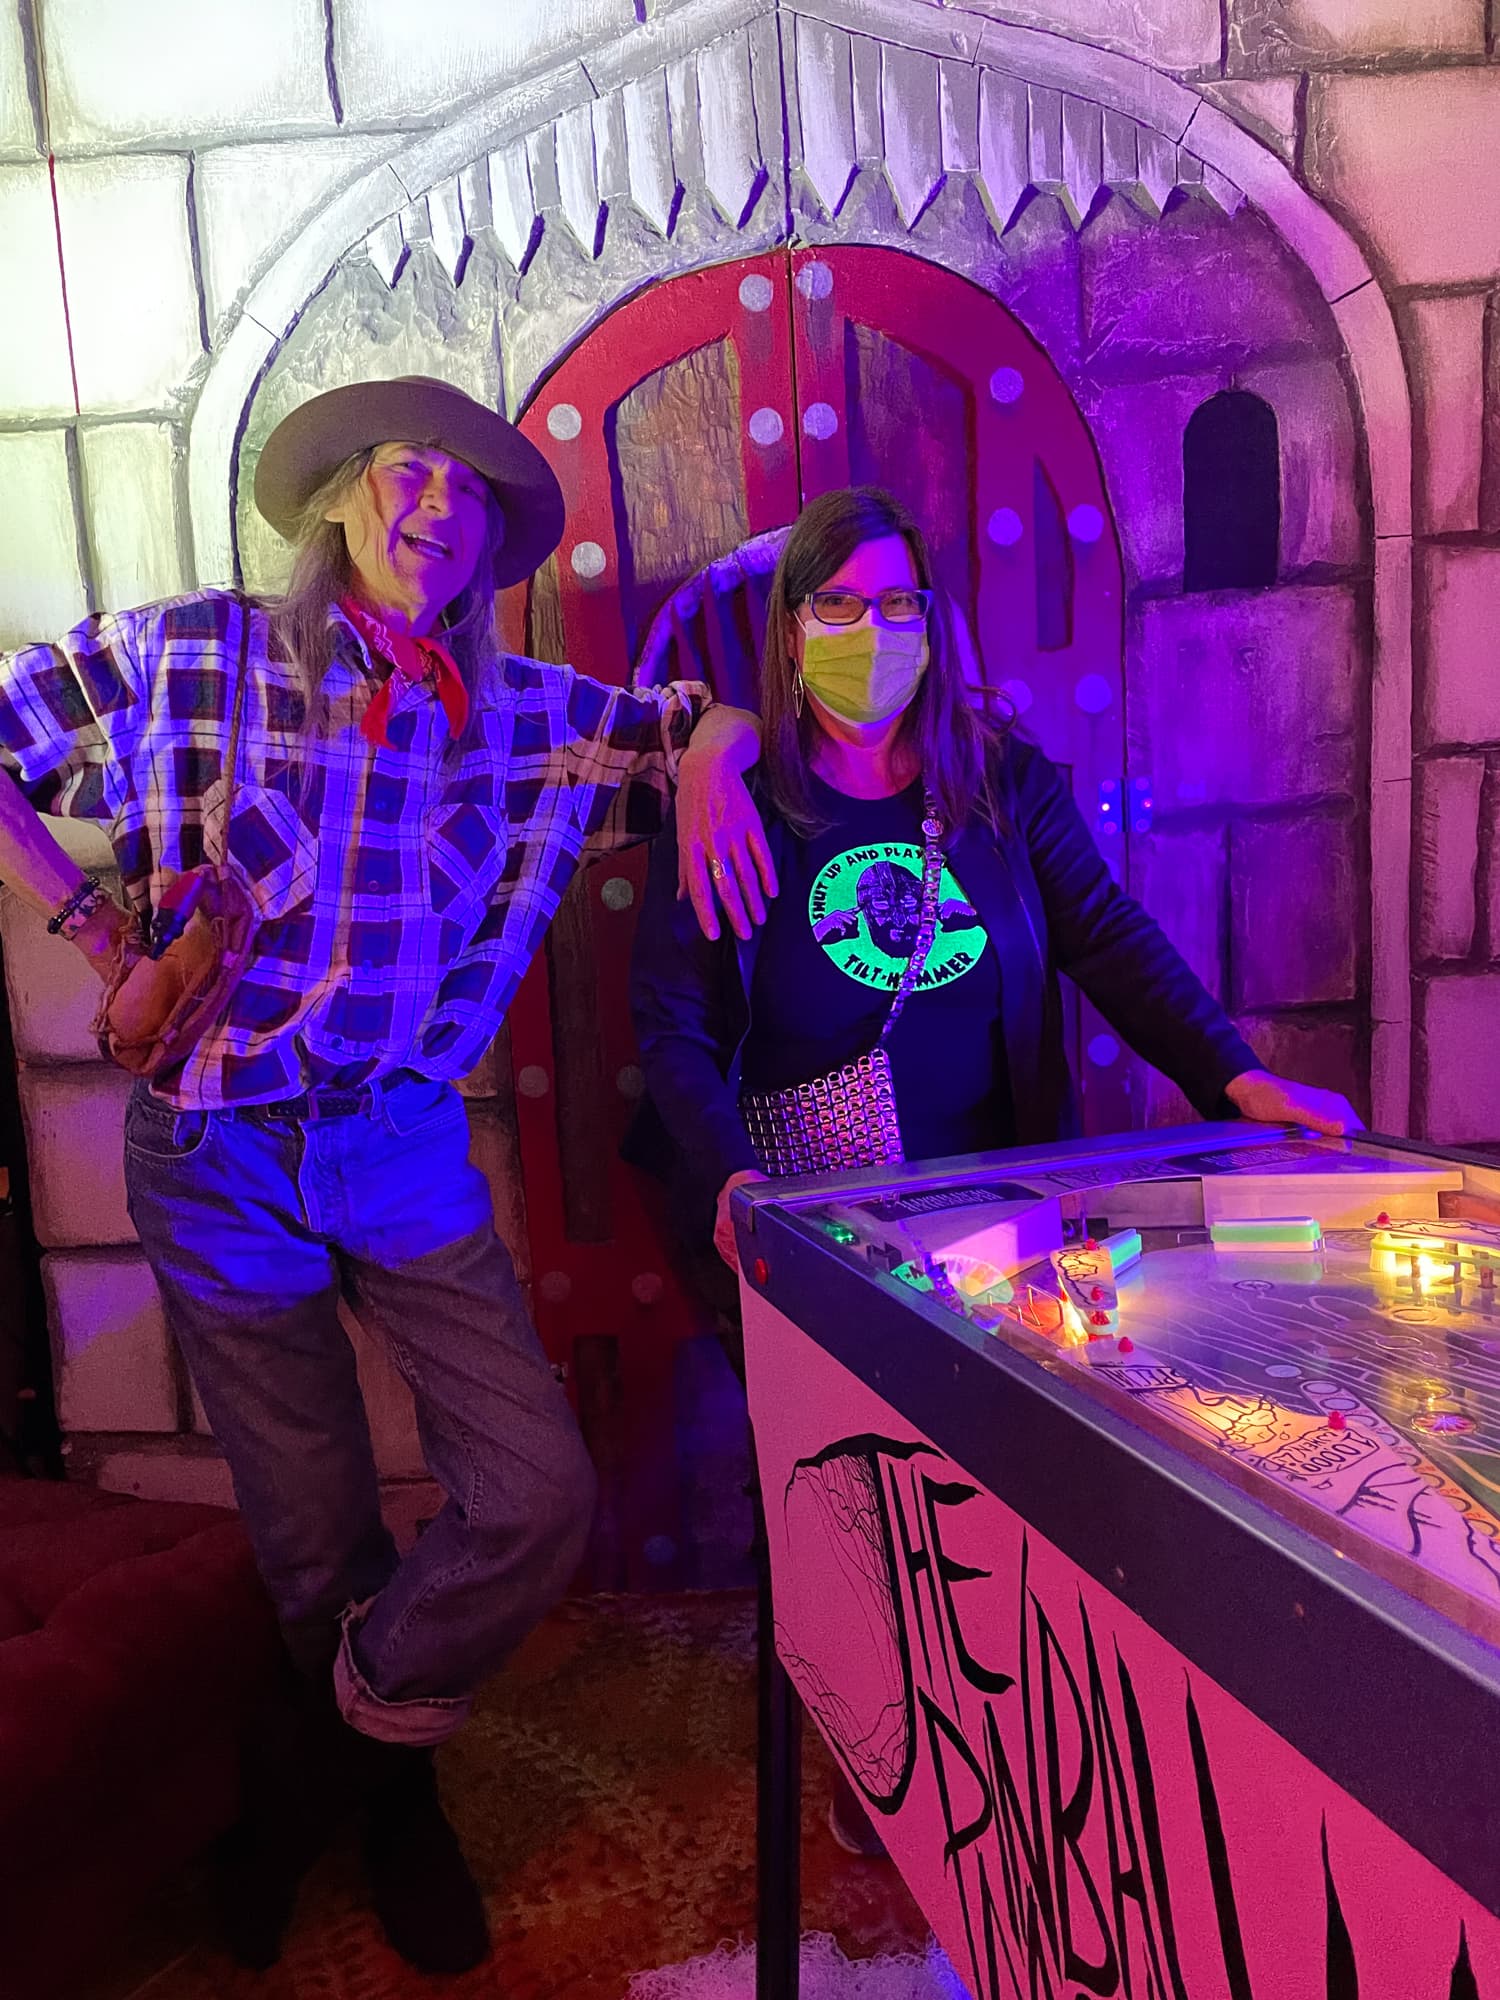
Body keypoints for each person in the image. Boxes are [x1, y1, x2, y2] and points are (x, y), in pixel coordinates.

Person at [0, 376, 768, 1974]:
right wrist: (82, 919)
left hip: (401, 1141)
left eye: (474, 497)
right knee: (312, 1522)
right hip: (214, 1147)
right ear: (344, 495)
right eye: (412, 475)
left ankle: (326, 1761)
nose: (439, 509)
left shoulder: (530, 707)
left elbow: (699, 720)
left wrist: (712, 756)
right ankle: (401, 1804)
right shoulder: (194, 647)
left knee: (537, 1492)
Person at [629, 484, 1361, 1851]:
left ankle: (1008, 1724)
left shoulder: (999, 786)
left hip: (985, 1207)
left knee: (987, 1475)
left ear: (933, 620)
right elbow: (668, 1025)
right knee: (849, 1479)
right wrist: (731, 1179)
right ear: (793, 631)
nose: (872, 632)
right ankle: (871, 1737)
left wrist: (1233, 1072)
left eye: (899, 603)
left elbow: (1109, 935)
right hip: (803, 1217)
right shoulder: (743, 806)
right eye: (838, 604)